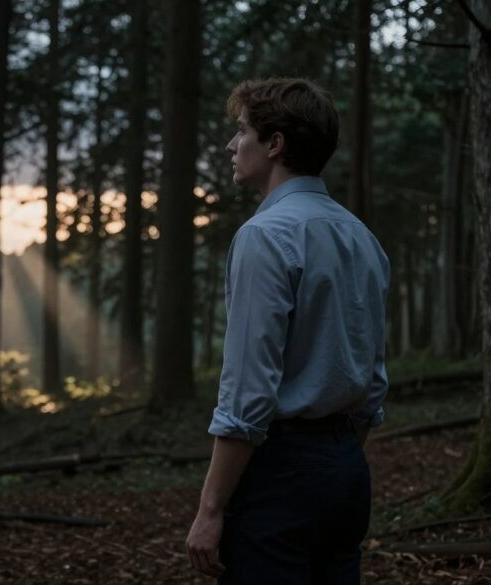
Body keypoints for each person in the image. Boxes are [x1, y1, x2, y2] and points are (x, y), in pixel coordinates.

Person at [185, 77, 390, 585]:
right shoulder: (361, 237)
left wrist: (210, 509)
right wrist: (335, 458)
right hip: (346, 469)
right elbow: (373, 380)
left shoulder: (265, 237)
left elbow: (247, 392)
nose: (233, 145)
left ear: (275, 145)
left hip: (281, 474)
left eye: (242, 132)